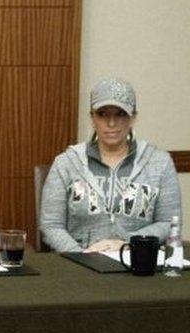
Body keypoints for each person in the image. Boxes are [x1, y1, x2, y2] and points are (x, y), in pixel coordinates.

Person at [39, 77, 181, 252]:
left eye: (120, 114)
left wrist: (127, 243)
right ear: (92, 118)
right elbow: (51, 225)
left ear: (133, 118)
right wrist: (81, 255)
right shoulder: (66, 163)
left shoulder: (160, 163)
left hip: (137, 263)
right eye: (103, 114)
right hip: (78, 266)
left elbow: (169, 222)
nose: (111, 123)